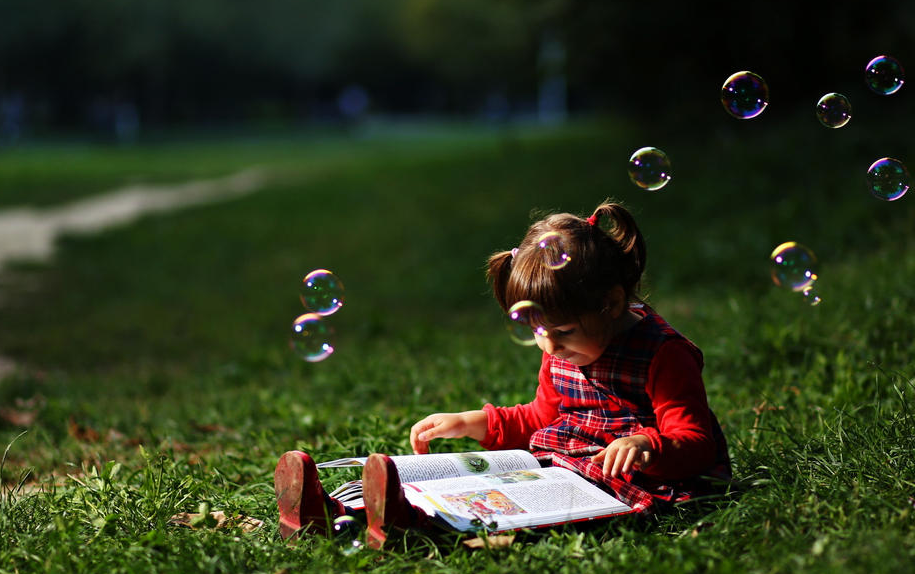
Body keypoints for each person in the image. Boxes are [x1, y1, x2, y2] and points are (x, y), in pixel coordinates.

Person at [275, 200, 731, 548]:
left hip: (634, 484)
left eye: (563, 332)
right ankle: (333, 510)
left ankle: (405, 521)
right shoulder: (565, 349)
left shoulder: (662, 355)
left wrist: (646, 446)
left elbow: (696, 442)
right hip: (568, 465)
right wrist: (476, 422)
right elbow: (542, 418)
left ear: (611, 304)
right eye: (537, 331)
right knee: (473, 479)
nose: (549, 347)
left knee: (501, 508)